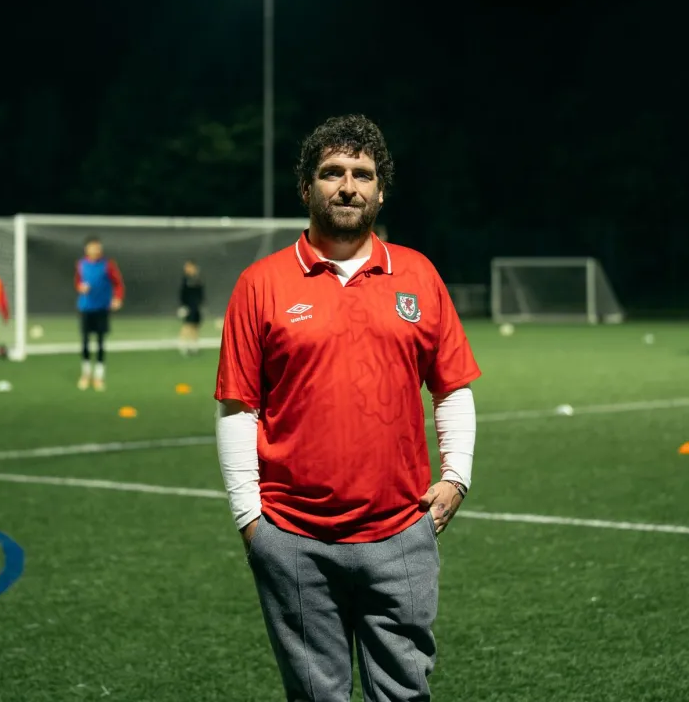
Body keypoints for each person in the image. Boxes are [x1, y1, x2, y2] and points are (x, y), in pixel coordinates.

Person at [215, 114, 481, 702]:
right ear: (306, 187)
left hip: (401, 533)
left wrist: (457, 476)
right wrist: (250, 522)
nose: (348, 186)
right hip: (293, 538)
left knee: (405, 693)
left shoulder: (419, 274)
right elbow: (238, 407)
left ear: (381, 190)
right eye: (331, 172)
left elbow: (452, 385)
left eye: (362, 174)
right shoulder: (260, 283)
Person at [75, 236, 124, 391]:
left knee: (101, 342)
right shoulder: (80, 265)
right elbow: (77, 282)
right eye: (92, 247)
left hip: (102, 309)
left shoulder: (108, 265)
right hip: (85, 308)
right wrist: (80, 287)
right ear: (86, 249)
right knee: (85, 342)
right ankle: (85, 374)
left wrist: (117, 298)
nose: (96, 250)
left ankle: (99, 377)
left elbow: (118, 283)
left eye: (98, 247)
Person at [177, 260, 204, 355]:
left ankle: (194, 346)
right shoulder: (185, 280)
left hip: (196, 307)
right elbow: (182, 294)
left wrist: (201, 304)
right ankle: (183, 345)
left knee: (195, 326)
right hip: (188, 306)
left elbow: (201, 293)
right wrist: (182, 306)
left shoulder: (198, 279)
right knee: (187, 325)